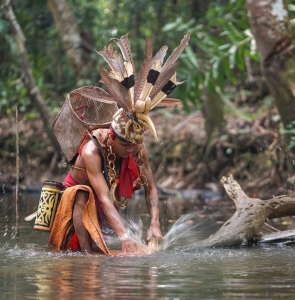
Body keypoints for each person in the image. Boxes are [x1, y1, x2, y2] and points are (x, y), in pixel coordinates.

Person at [48, 33, 190, 254]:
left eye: (134, 147)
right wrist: (124, 237)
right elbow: (104, 198)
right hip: (80, 198)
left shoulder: (137, 149)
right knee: (85, 250)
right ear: (113, 137)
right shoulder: (92, 151)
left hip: (103, 200)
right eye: (126, 146)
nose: (131, 151)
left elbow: (151, 189)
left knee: (110, 254)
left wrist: (155, 225)